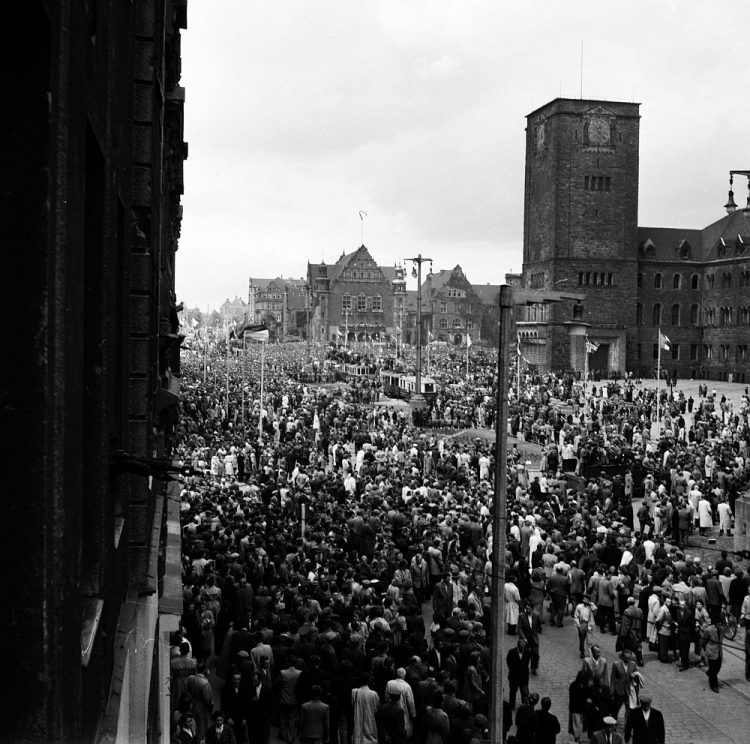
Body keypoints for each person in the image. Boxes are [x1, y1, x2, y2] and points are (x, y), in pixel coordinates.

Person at [351, 673, 380, 744]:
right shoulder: (373, 694)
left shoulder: (354, 692)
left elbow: (352, 706)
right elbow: (376, 709)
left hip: (358, 720)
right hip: (370, 720)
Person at [517, 600, 543, 675]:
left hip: (534, 638)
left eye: (529, 609)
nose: (527, 610)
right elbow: (519, 628)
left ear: (532, 609)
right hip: (525, 638)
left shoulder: (536, 616)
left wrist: (535, 631)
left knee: (536, 654)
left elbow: (538, 624)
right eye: (526, 608)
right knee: (525, 653)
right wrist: (523, 638)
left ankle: (534, 668)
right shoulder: (521, 616)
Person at [507, 638, 532, 710]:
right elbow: (508, 662)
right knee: (513, 691)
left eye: (523, 648)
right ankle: (512, 705)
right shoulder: (512, 652)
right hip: (514, 676)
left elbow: (526, 663)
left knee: (524, 691)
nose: (522, 649)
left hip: (523, 676)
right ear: (518, 647)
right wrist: (513, 670)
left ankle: (525, 705)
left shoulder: (527, 652)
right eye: (521, 648)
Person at [701, 617, 724, 693]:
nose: (720, 625)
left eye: (721, 623)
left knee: (718, 667)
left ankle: (710, 673)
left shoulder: (722, 629)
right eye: (718, 623)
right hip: (711, 651)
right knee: (713, 669)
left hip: (719, 652)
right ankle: (714, 686)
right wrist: (705, 649)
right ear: (715, 623)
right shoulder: (709, 630)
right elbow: (703, 641)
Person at [568, 671, 589, 744]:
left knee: (581, 724)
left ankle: (578, 736)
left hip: (583, 709)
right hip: (575, 709)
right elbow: (574, 699)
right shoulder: (573, 686)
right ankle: (577, 739)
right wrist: (586, 701)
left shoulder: (586, 684)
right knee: (576, 725)